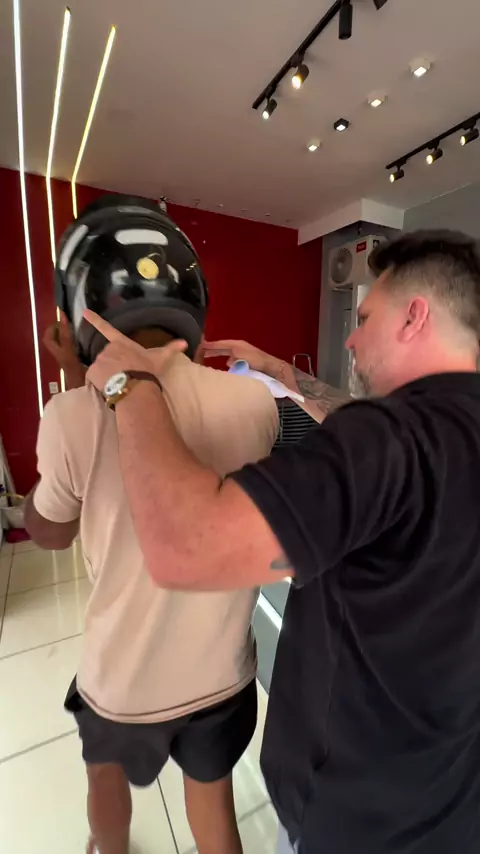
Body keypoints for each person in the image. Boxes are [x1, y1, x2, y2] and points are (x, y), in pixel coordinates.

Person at [83, 229, 480, 854]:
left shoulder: (388, 438)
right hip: (450, 805)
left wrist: (130, 387)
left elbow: (187, 547)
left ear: (415, 316)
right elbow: (384, 450)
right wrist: (281, 373)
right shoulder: (441, 433)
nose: (350, 338)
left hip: (351, 821)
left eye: (365, 317)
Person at [25, 194, 279, 854]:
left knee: (106, 798)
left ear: (83, 306)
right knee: (214, 816)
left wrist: (75, 379)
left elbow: (49, 530)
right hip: (223, 675)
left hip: (123, 685)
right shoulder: (254, 402)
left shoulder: (70, 415)